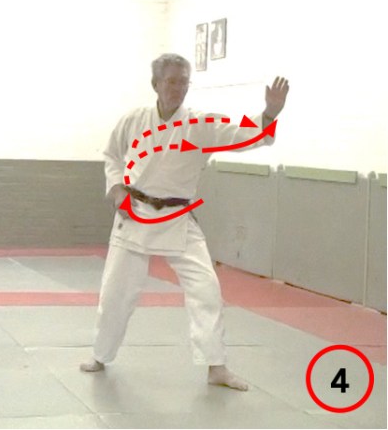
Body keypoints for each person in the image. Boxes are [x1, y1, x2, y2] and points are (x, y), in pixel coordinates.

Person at [80, 53, 289, 390]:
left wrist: (269, 114)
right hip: (135, 214)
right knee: (115, 293)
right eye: (171, 81)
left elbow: (242, 134)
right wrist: (117, 189)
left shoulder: (199, 125)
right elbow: (112, 156)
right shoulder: (133, 120)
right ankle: (100, 356)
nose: (178, 88)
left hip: (178, 218)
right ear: (156, 84)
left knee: (207, 290)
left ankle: (216, 366)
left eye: (184, 81)